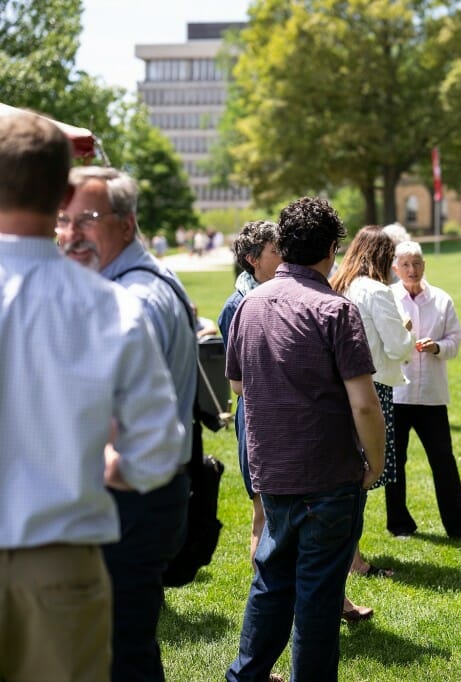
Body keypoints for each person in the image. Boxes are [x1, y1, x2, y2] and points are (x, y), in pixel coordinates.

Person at [0, 112, 185, 682]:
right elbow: (156, 455)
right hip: (62, 555)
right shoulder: (112, 305)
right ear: (62, 193)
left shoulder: (127, 299)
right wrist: (102, 461)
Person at [225, 197, 385, 681]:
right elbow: (363, 402)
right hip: (327, 475)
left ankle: (246, 675)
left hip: (271, 468)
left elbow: (235, 384)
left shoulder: (249, 303)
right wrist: (374, 465)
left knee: (272, 583)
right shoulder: (336, 309)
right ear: (332, 250)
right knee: (316, 595)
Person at [58, 165, 197, 682]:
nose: (70, 234)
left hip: (128, 501)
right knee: (126, 646)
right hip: (144, 498)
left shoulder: (130, 300)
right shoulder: (134, 283)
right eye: (62, 220)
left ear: (126, 222)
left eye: (86, 219)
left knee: (115, 652)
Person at [330, 226, 415, 599]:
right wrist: (408, 330)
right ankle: (353, 558)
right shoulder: (376, 290)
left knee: (347, 469)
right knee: (366, 472)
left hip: (338, 387)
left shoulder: (338, 283)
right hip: (372, 385)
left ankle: (351, 553)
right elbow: (397, 347)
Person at [388, 240, 461, 541]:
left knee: (443, 461)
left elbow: (456, 341)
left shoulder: (441, 299)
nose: (412, 270)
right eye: (406, 265)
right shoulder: (387, 298)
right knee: (395, 462)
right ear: (395, 268)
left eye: (417, 263)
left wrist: (438, 346)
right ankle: (399, 524)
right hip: (397, 394)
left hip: (431, 396)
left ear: (424, 265)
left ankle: (459, 528)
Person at [217, 220, 281, 567]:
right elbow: (238, 381)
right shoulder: (236, 306)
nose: (283, 256)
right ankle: (265, 598)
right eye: (275, 250)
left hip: (283, 410)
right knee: (263, 512)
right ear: (252, 258)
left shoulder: (282, 294)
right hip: (258, 415)